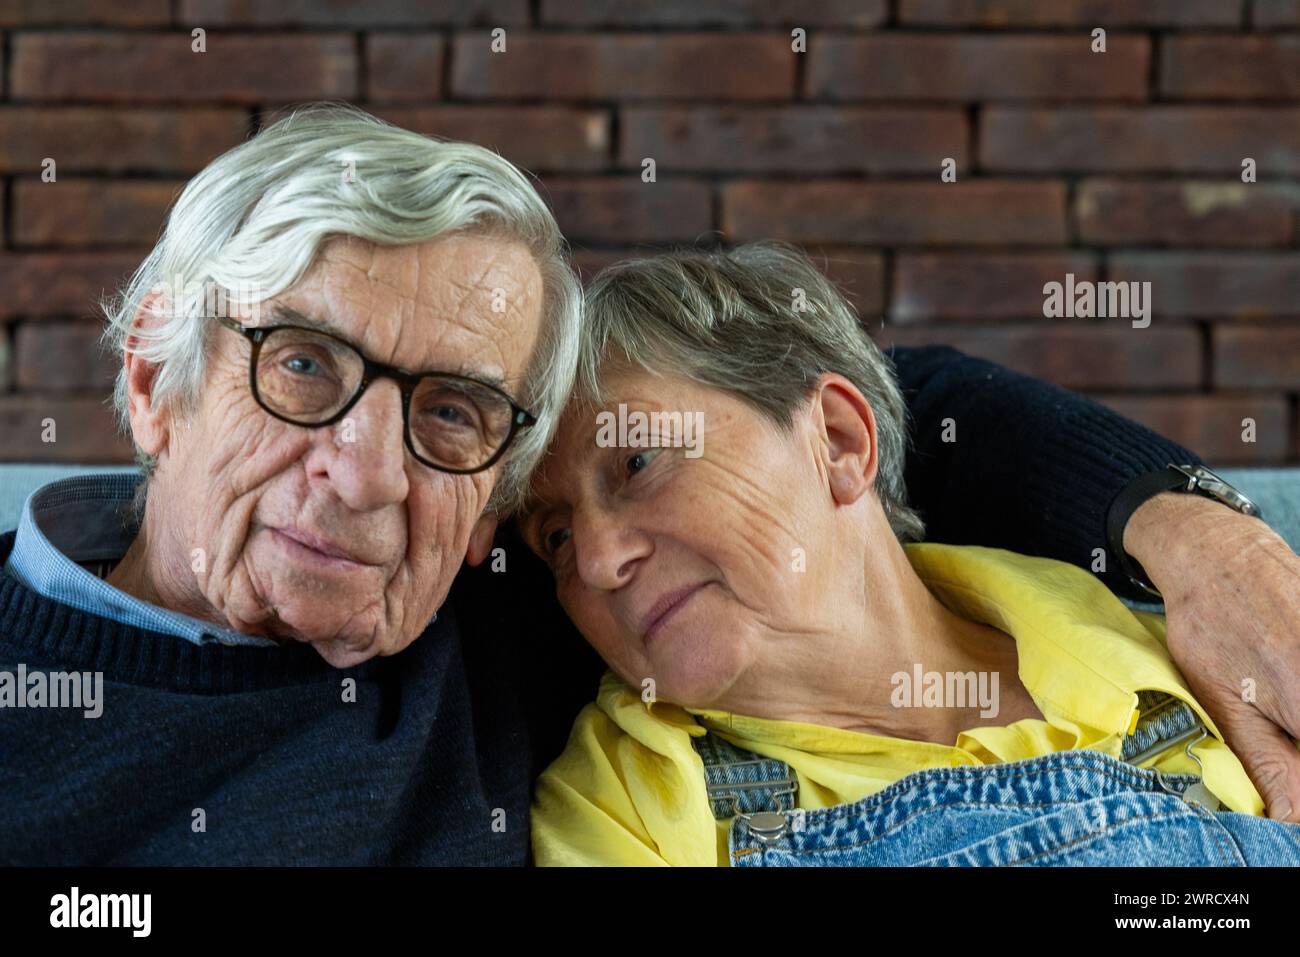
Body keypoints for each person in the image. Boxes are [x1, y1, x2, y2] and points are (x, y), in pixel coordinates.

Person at [2, 105, 1298, 865]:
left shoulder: (520, 610)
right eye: (301, 363)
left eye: (451, 411)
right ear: (151, 377)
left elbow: (888, 402)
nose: (366, 472)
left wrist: (1193, 534)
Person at [523, 242, 1300, 866]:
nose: (594, 560)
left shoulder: (1169, 638)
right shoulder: (625, 801)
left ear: (836, 439)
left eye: (636, 462)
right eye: (553, 536)